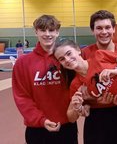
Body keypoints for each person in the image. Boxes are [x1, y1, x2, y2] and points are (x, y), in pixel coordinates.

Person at [12, 15, 78, 144]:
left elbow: (79, 86)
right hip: (37, 128)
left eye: (51, 30)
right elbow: (22, 97)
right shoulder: (23, 63)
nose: (47, 34)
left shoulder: (67, 60)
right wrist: (41, 120)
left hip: (66, 127)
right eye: (43, 30)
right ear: (36, 31)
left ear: (57, 32)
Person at [80, 10, 117, 144]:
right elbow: (78, 84)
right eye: (99, 28)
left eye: (107, 27)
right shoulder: (85, 54)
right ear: (92, 30)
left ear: (113, 29)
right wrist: (85, 102)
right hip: (96, 117)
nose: (104, 32)